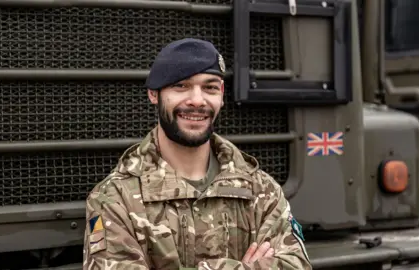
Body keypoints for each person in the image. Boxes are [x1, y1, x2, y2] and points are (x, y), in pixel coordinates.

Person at [82, 38, 312, 270]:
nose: (197, 101)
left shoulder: (260, 190)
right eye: (181, 86)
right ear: (154, 94)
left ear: (221, 95)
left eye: (209, 87)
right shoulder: (115, 199)